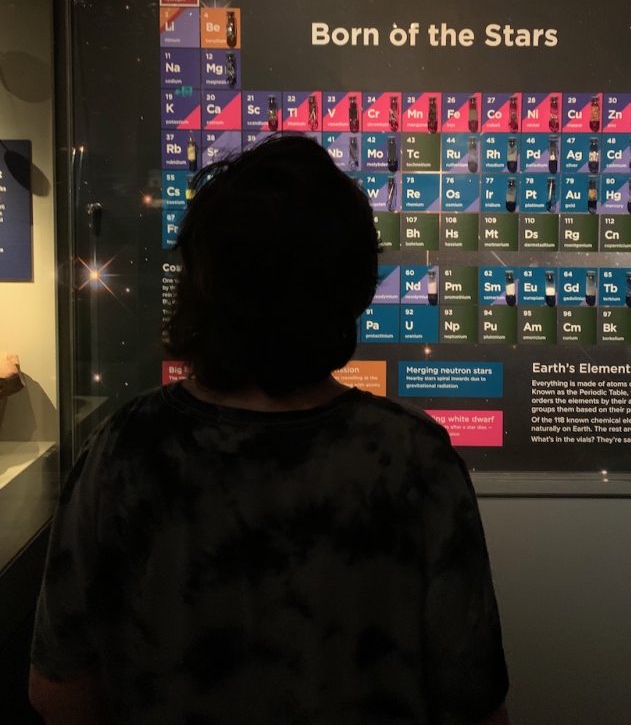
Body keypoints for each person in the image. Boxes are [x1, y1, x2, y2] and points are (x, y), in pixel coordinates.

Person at [29, 135, 510, 724]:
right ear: (353, 288)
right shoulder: (413, 458)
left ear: (201, 281)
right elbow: (474, 701)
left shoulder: (126, 448)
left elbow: (59, 689)